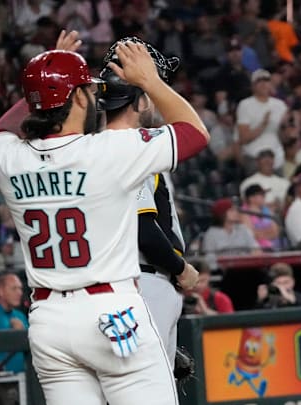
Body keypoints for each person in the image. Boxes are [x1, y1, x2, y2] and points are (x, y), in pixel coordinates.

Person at [0, 37, 207, 404]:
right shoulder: (110, 151)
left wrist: (44, 83)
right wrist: (151, 81)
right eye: (88, 89)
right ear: (80, 97)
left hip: (48, 320)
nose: (94, 95)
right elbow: (195, 133)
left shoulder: (9, 158)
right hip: (112, 312)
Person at [96, 37, 192, 369]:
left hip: (118, 284)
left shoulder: (90, 149)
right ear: (140, 98)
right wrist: (182, 269)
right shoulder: (131, 147)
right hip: (143, 282)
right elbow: (144, 229)